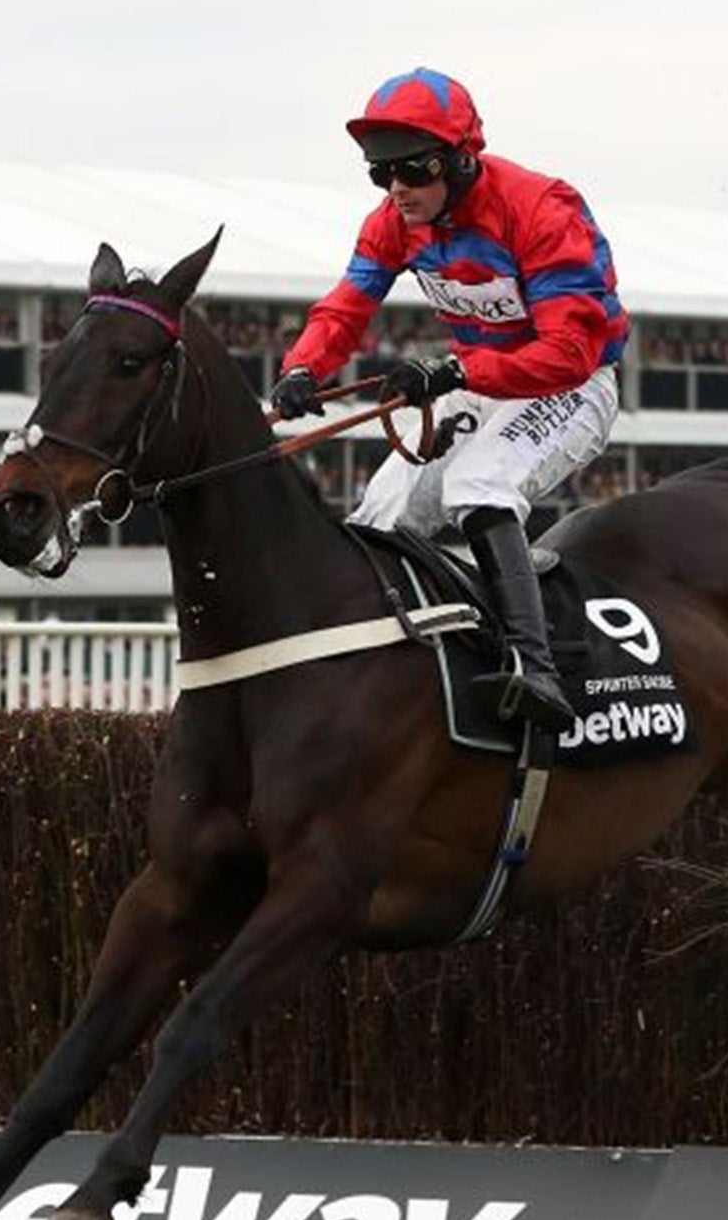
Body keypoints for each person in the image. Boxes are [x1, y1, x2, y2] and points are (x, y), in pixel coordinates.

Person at [269, 68, 627, 731]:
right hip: (484, 382)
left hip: (571, 384)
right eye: (380, 175)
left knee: (477, 482)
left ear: (460, 162)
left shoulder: (542, 210)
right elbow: (345, 309)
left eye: (410, 172)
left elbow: (568, 354)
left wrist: (455, 374)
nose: (396, 191)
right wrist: (302, 371)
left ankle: (534, 666)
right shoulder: (393, 221)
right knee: (378, 516)